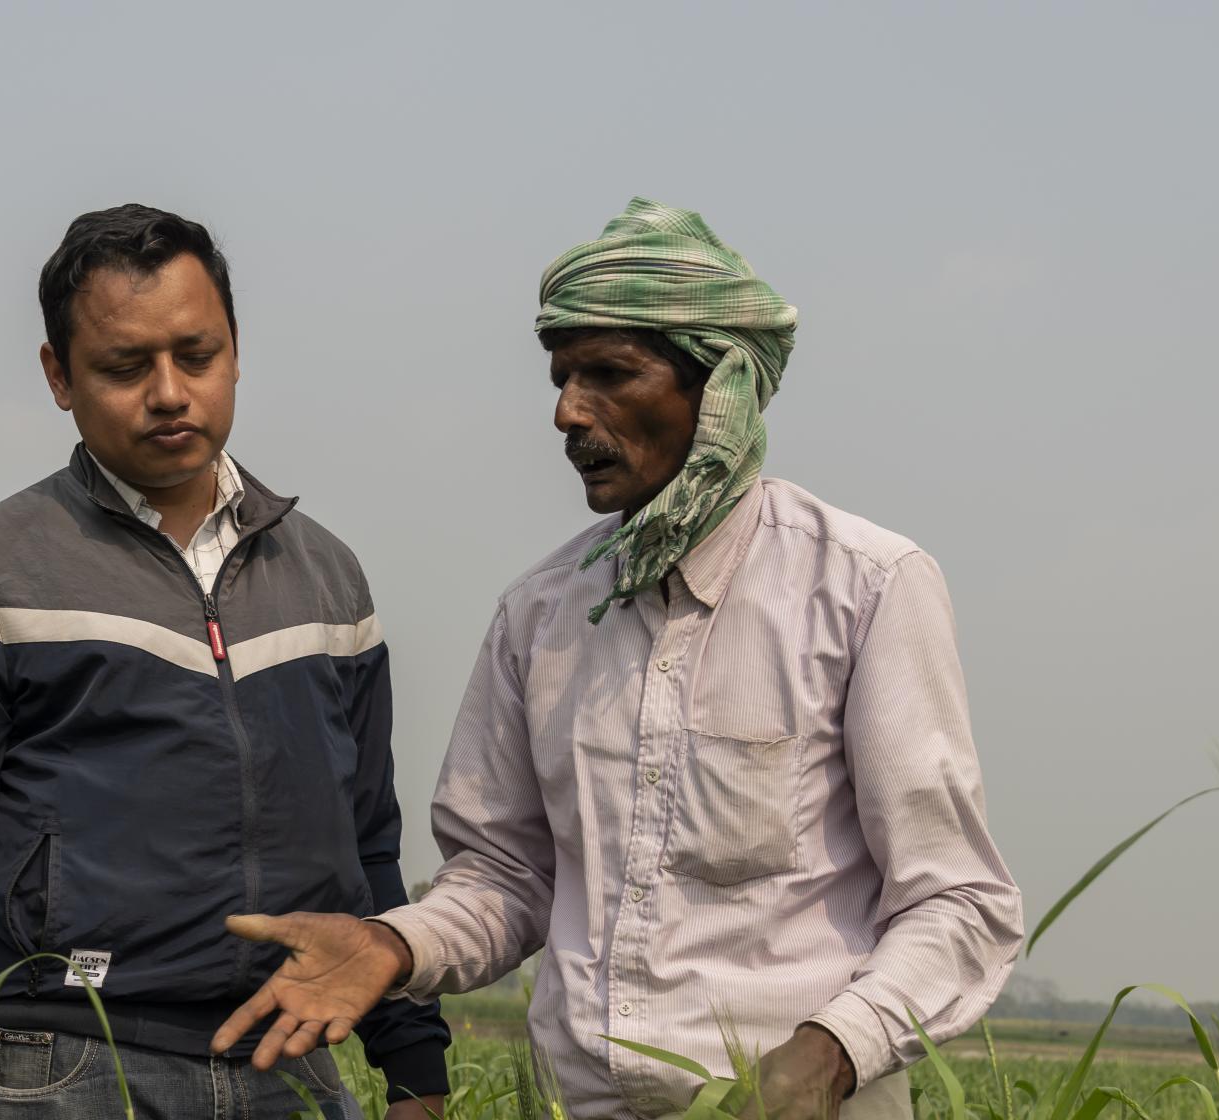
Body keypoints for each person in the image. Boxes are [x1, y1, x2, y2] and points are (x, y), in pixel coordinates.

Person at [214, 198, 1023, 1120]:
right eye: (561, 376)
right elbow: (507, 878)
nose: (566, 411)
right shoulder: (541, 615)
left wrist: (831, 1052)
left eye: (609, 374)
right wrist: (394, 948)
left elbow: (959, 904)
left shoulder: (865, 588)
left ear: (719, 385)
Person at [0, 205, 451, 1119]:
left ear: (236, 349)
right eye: (125, 366)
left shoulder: (329, 578)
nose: (171, 392)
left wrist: (414, 1062)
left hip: (290, 1062)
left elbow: (368, 837)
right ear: (59, 375)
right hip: (63, 1063)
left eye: (197, 354)